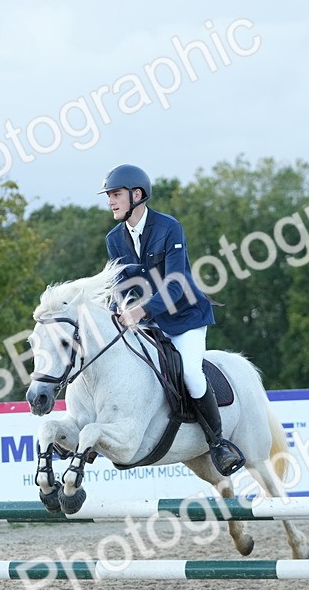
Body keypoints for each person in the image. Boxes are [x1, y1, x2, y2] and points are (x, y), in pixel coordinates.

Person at [99, 163, 244, 476]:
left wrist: (140, 311)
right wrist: (115, 308)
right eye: (109, 195)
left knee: (191, 373)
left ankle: (218, 443)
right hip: (151, 322)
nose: (110, 200)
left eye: (115, 194)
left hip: (186, 317)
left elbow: (176, 283)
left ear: (137, 195)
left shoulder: (168, 227)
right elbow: (120, 285)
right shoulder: (115, 238)